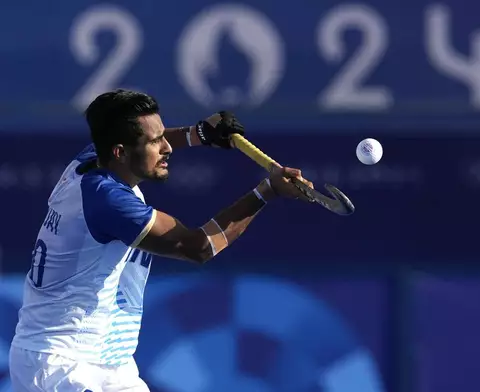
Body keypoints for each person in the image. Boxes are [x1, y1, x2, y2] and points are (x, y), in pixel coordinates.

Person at [8, 89, 314, 392]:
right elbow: (199, 247)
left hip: (110, 363)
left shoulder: (90, 159)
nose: (167, 146)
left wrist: (199, 134)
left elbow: (139, 138)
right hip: (61, 364)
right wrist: (266, 193)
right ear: (120, 152)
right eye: (156, 142)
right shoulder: (109, 202)